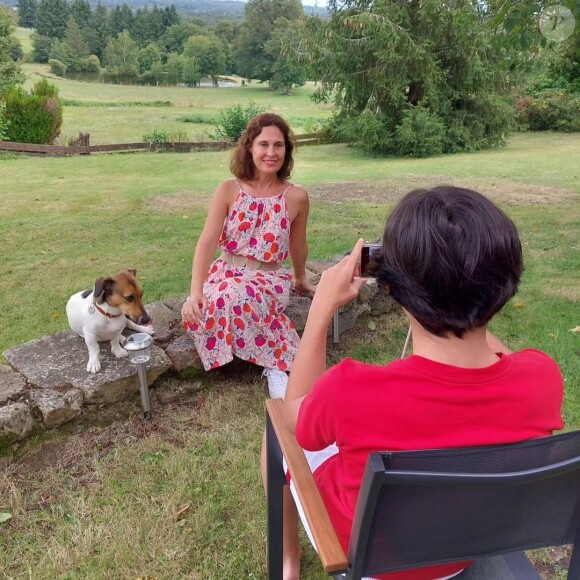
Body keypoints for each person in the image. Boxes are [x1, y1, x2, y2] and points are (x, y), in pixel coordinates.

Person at [270, 185, 564, 580]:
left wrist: (321, 307)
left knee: (274, 428)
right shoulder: (542, 378)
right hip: (464, 546)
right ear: (506, 284)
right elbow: (498, 354)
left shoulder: (350, 391)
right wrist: (470, 304)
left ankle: (287, 563)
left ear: (391, 287)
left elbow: (295, 418)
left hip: (370, 557)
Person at [181, 113, 312, 399]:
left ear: (286, 151)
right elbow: (206, 242)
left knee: (231, 298)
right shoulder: (229, 189)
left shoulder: (296, 197)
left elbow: (298, 247)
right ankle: (264, 355)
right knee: (200, 308)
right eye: (263, 144)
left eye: (278, 146)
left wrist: (300, 277)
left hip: (268, 278)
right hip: (225, 272)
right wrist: (195, 292)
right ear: (250, 147)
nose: (271, 153)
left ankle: (274, 364)